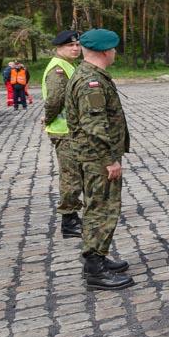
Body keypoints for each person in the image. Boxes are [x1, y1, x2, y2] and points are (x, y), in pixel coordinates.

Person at [64, 29, 134, 290]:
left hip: (93, 157)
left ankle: (98, 259)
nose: (115, 52)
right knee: (101, 210)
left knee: (98, 208)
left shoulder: (88, 75)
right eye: (114, 49)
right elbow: (94, 125)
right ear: (106, 51)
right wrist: (109, 160)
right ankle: (95, 269)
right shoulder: (90, 81)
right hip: (97, 159)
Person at [43, 30, 85, 238]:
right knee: (71, 176)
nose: (75, 48)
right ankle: (68, 221)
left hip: (71, 130)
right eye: (71, 46)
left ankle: (73, 217)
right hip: (64, 131)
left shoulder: (69, 65)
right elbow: (54, 100)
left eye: (77, 45)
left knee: (75, 174)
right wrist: (48, 119)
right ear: (59, 48)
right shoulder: (58, 69)